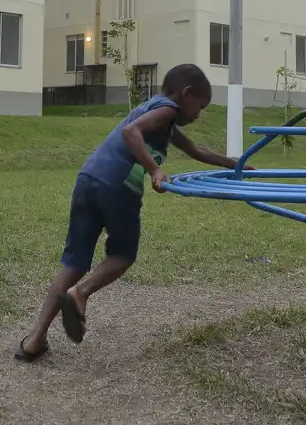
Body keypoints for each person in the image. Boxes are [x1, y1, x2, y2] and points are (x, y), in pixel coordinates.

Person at [15, 64, 248, 362]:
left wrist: (236, 165)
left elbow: (195, 149)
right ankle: (80, 293)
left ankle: (34, 340)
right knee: (122, 256)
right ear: (186, 93)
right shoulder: (167, 110)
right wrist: (154, 169)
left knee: (73, 263)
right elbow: (131, 132)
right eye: (200, 106)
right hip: (118, 186)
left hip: (88, 180)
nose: (199, 114)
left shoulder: (156, 112)